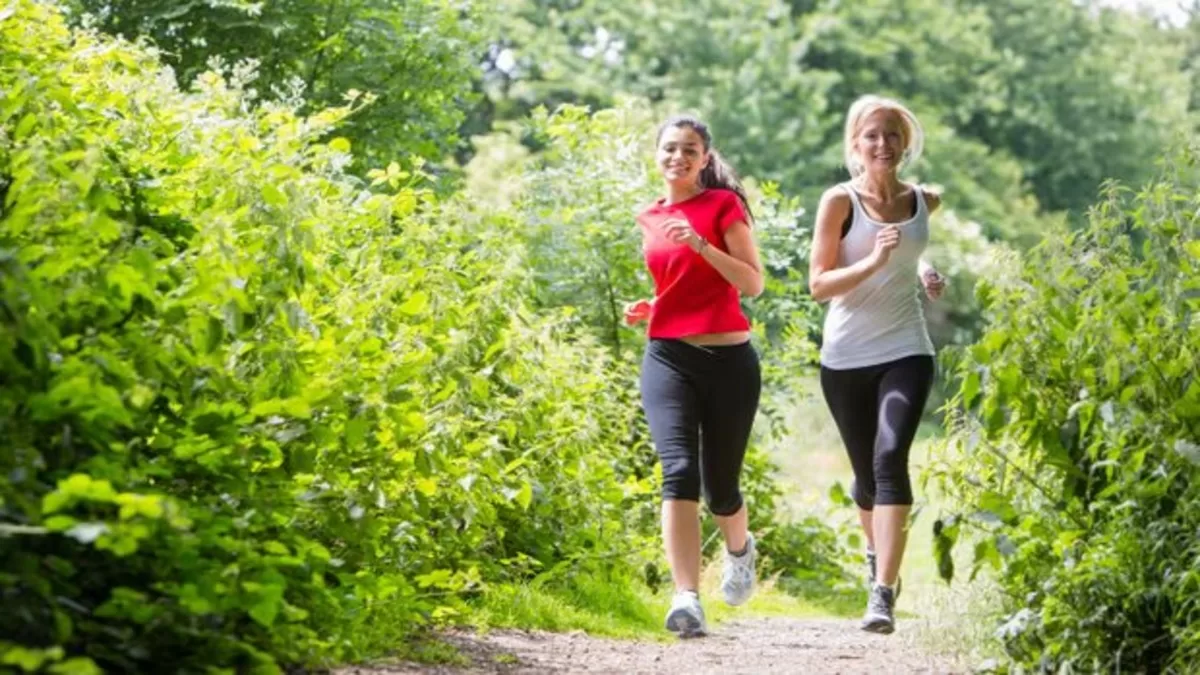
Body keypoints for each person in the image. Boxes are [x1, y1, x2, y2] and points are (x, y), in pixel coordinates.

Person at [808, 95, 947, 635]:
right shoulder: (838, 202)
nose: (882, 144)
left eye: (892, 134)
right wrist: (873, 261)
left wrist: (924, 271)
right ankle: (876, 557)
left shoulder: (923, 200)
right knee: (866, 476)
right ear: (855, 144)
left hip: (907, 349)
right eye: (872, 135)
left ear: (905, 142)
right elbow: (819, 285)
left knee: (891, 458)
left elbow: (910, 248)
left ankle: (883, 592)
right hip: (845, 357)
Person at [624, 114, 765, 638]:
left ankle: (739, 550)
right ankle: (686, 597)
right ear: (656, 155)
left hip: (730, 360)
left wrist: (703, 246)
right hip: (667, 355)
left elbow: (752, 284)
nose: (677, 157)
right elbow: (681, 282)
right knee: (678, 470)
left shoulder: (723, 206)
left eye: (689, 149)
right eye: (669, 149)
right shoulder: (649, 216)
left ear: (705, 158)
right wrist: (655, 304)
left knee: (721, 486)